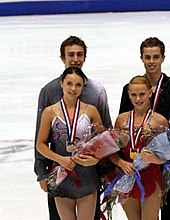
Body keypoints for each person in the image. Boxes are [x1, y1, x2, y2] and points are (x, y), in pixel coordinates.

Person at [34, 36, 112, 220]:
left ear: (85, 57)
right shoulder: (48, 92)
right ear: (63, 58)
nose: (75, 58)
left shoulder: (97, 92)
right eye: (71, 54)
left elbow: (106, 135)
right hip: (59, 172)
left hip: (89, 173)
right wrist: (42, 173)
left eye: (80, 54)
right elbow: (40, 139)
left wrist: (106, 169)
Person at [119, 37, 170, 220]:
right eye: (147, 57)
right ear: (142, 58)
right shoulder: (132, 88)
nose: (151, 62)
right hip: (137, 163)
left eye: (155, 57)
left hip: (168, 162)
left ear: (163, 58)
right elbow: (122, 128)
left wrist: (169, 150)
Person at [110, 76, 168, 220]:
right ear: (128, 95)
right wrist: (121, 163)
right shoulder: (121, 120)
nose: (138, 99)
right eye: (133, 95)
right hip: (127, 176)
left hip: (150, 176)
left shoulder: (159, 121)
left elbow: (168, 157)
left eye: (142, 94)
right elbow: (111, 151)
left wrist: (154, 158)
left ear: (150, 93)